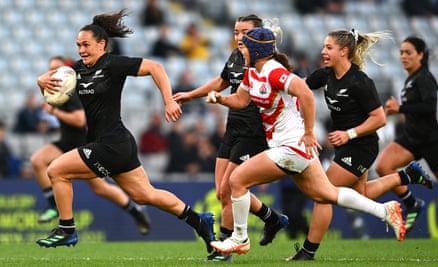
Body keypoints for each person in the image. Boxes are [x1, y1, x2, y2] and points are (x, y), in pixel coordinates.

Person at [207, 27, 430, 256]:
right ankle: (384, 211)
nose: (239, 48)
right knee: (326, 194)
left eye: (244, 45)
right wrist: (221, 99)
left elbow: (303, 92)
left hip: (298, 146)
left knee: (236, 180)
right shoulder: (252, 72)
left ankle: (241, 238)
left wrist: (310, 132)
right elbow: (242, 100)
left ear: (256, 50)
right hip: (295, 146)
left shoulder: (275, 71)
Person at [34, 10, 214, 254]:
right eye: (78, 45)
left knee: (56, 170)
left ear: (102, 44)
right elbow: (51, 77)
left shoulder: (112, 64)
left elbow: (156, 67)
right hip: (114, 143)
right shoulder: (78, 69)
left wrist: (169, 100)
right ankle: (200, 221)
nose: (81, 50)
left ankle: (66, 229)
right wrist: (40, 80)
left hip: (111, 144)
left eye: (86, 45)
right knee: (144, 195)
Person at [286, 29, 432, 261]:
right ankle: (405, 177)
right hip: (346, 145)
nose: (323, 51)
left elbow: (379, 118)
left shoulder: (360, 81)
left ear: (344, 51)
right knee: (360, 194)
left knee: (324, 194)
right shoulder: (325, 75)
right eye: (324, 47)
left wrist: (349, 134)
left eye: (329, 47)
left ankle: (308, 251)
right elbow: (299, 87)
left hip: (361, 145)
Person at [173, 14, 289, 262]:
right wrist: (190, 95)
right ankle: (272, 218)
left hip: (254, 133)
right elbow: (221, 82)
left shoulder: (269, 63)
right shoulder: (237, 57)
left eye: (244, 32)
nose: (238, 37)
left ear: (258, 34)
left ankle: (224, 248)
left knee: (228, 190)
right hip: (232, 128)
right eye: (236, 32)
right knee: (221, 193)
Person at [30, 56, 152, 236]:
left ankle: (135, 211)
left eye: (57, 68)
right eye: (50, 69)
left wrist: (54, 111)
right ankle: (53, 205)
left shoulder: (73, 89)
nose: (53, 73)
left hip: (83, 144)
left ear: (66, 70)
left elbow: (80, 120)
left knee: (100, 188)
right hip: (65, 143)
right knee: (37, 160)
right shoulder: (58, 90)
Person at [375, 36, 438, 232]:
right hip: (412, 138)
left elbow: (430, 107)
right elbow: (412, 112)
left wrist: (401, 108)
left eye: (408, 52)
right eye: (401, 52)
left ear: (421, 55)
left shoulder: (424, 78)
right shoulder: (409, 80)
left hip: (432, 141)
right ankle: (412, 203)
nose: (403, 56)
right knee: (383, 166)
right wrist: (395, 111)